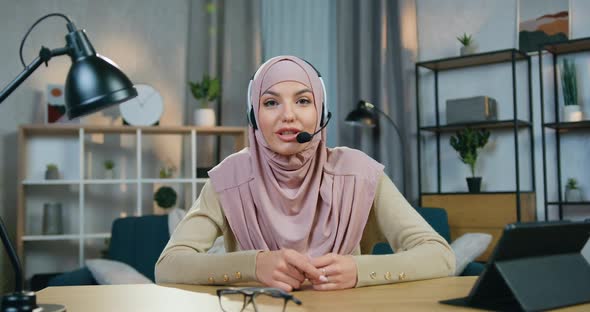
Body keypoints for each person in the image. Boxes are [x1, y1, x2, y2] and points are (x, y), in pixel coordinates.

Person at [155, 55, 455, 291]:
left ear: (321, 113)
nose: (288, 114)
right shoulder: (229, 178)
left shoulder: (358, 174)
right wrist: (254, 265)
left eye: (303, 100)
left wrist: (360, 271)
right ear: (254, 117)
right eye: (271, 102)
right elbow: (167, 266)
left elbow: (440, 255)